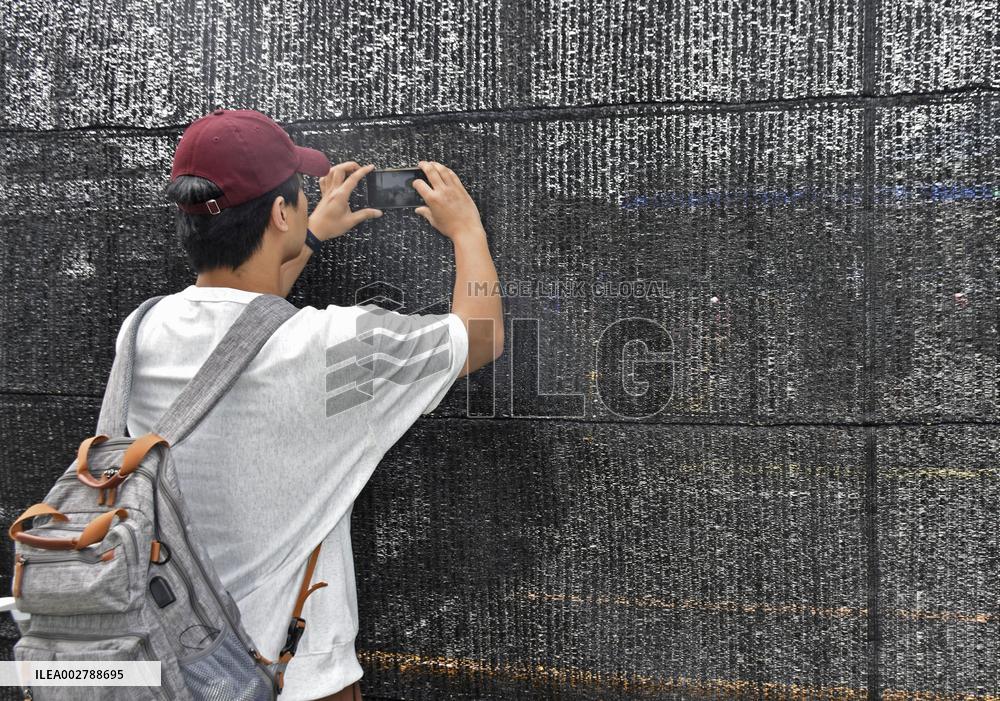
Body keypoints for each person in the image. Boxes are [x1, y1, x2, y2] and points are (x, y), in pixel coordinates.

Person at [117, 108, 504, 701]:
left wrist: (309, 234)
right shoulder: (330, 348)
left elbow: (247, 325)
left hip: (166, 664)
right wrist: (468, 231)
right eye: (297, 194)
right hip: (285, 676)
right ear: (278, 213)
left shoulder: (142, 331)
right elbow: (479, 338)